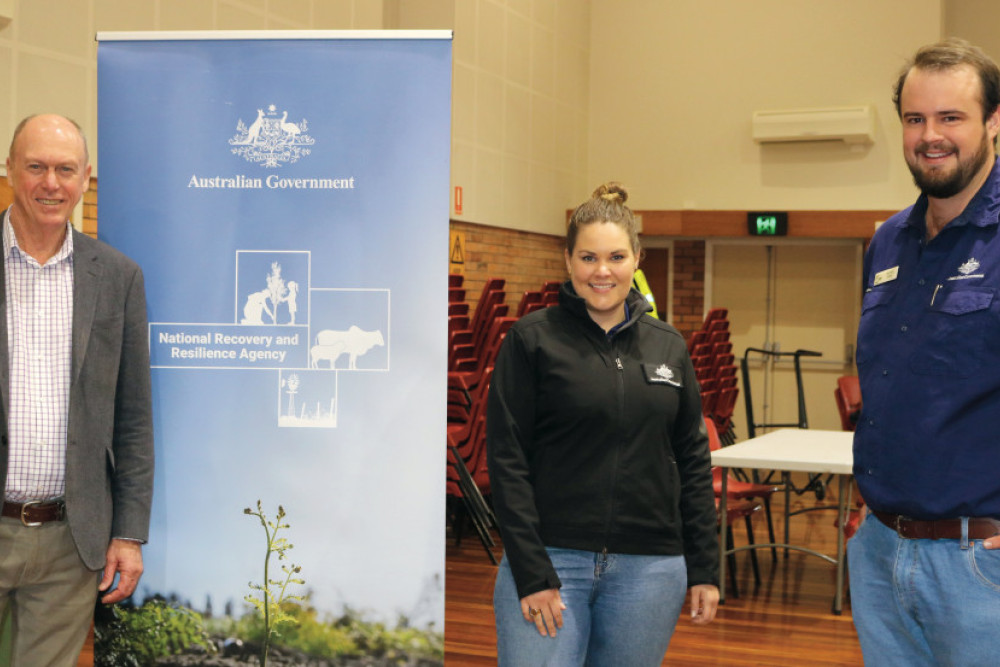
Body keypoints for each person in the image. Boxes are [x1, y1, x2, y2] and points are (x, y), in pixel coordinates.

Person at [487, 182, 719, 666]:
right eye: (588, 257)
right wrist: (531, 571)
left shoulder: (668, 346)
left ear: (637, 258)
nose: (602, 271)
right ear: (568, 261)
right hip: (552, 559)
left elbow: (693, 462)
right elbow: (507, 461)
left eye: (615, 256)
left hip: (649, 569)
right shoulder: (531, 341)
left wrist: (703, 567)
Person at [849, 38, 1000, 665]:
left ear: (994, 122)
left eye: (951, 117)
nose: (930, 135)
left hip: (978, 568)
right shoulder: (887, 242)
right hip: (880, 554)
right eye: (915, 119)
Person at [0, 114, 154, 665]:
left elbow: (134, 418)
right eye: (36, 166)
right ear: (11, 169)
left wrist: (129, 534)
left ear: (86, 178)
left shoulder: (117, 277)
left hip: (72, 543)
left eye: (66, 169)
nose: (51, 183)